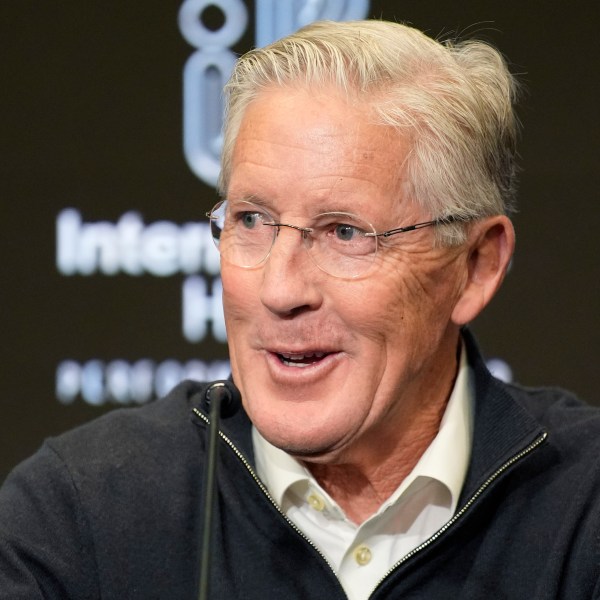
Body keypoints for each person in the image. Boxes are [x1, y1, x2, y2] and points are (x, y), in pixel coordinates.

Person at [1, 19, 599, 600]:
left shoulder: (584, 511)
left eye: (344, 232)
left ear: (475, 266)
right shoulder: (78, 516)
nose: (279, 290)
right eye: (252, 221)